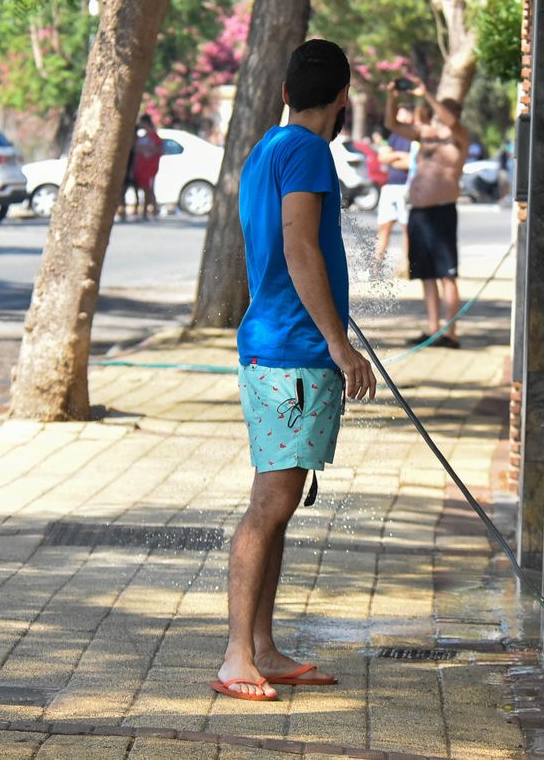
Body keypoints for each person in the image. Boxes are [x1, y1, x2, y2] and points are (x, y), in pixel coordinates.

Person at [215, 39, 376, 702]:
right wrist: (339, 343)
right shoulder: (309, 151)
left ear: (285, 93)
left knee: (278, 505)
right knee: (270, 503)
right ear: (343, 98)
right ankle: (235, 656)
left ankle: (262, 648)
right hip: (292, 353)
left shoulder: (267, 148)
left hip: (280, 347)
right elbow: (299, 246)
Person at [387, 75, 471, 348]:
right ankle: (434, 329)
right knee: (426, 275)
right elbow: (391, 124)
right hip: (419, 213)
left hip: (442, 212)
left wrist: (426, 94)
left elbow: (452, 123)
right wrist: (392, 97)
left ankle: (451, 333)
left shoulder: (459, 138)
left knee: (447, 275)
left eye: (439, 116)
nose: (435, 121)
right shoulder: (425, 136)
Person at [374, 102, 417, 264]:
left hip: (407, 187)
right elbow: (382, 157)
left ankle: (407, 266)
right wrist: (399, 155)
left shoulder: (415, 136)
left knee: (408, 229)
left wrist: (393, 158)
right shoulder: (394, 135)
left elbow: (412, 162)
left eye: (403, 113)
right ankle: (376, 266)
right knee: (383, 227)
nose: (399, 116)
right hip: (390, 187)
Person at [131, 115, 164, 220]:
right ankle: (148, 210)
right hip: (141, 167)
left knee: (148, 189)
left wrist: (147, 151)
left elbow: (158, 149)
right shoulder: (142, 137)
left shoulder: (154, 137)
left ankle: (149, 211)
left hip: (150, 168)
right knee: (143, 189)